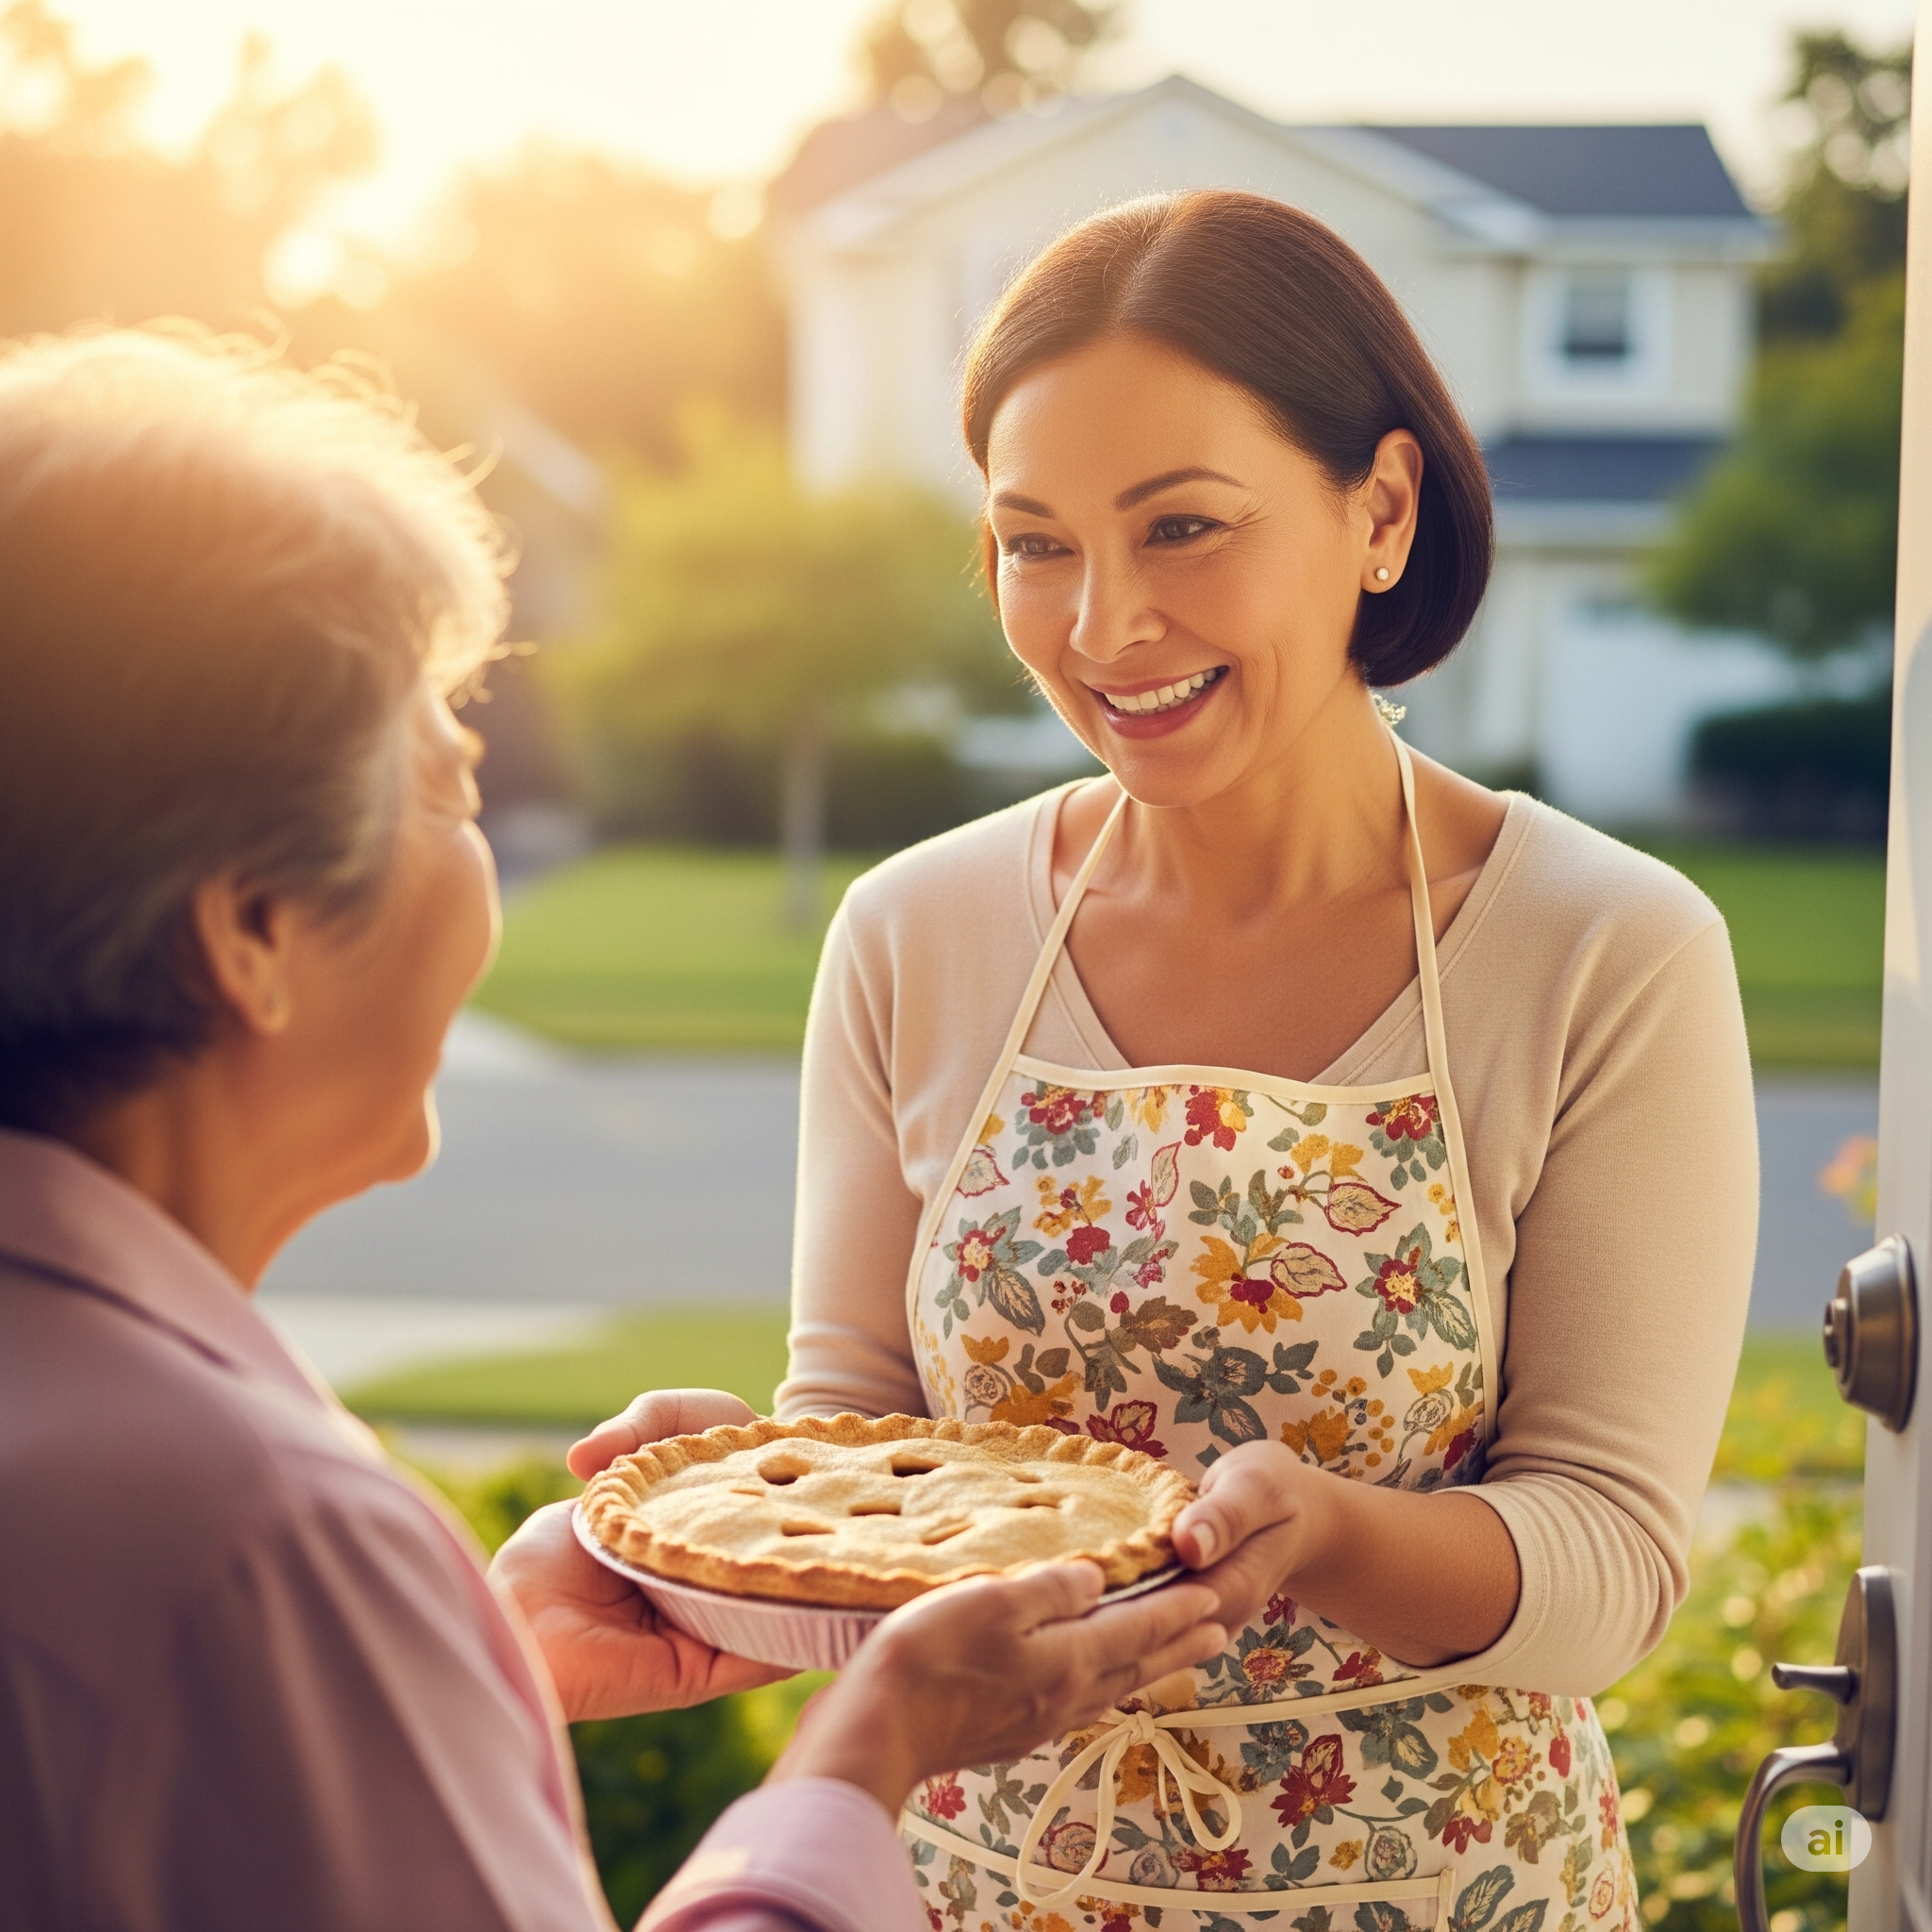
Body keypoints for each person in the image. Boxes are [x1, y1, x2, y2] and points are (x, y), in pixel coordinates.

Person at [0, 327, 1230, 1932]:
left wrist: (474, 1661)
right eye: (454, 788)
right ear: (253, 931)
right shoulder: (261, 1539)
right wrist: (859, 1766)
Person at [740, 192, 1758, 1926]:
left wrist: (1334, 1535)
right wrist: (757, 1506)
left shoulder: (1601, 947)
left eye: (1184, 528)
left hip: (1448, 1890)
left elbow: (1614, 1564)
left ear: (1380, 510)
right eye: (1036, 544)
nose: (1105, 626)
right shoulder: (915, 931)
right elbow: (861, 1447)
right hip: (984, 1891)